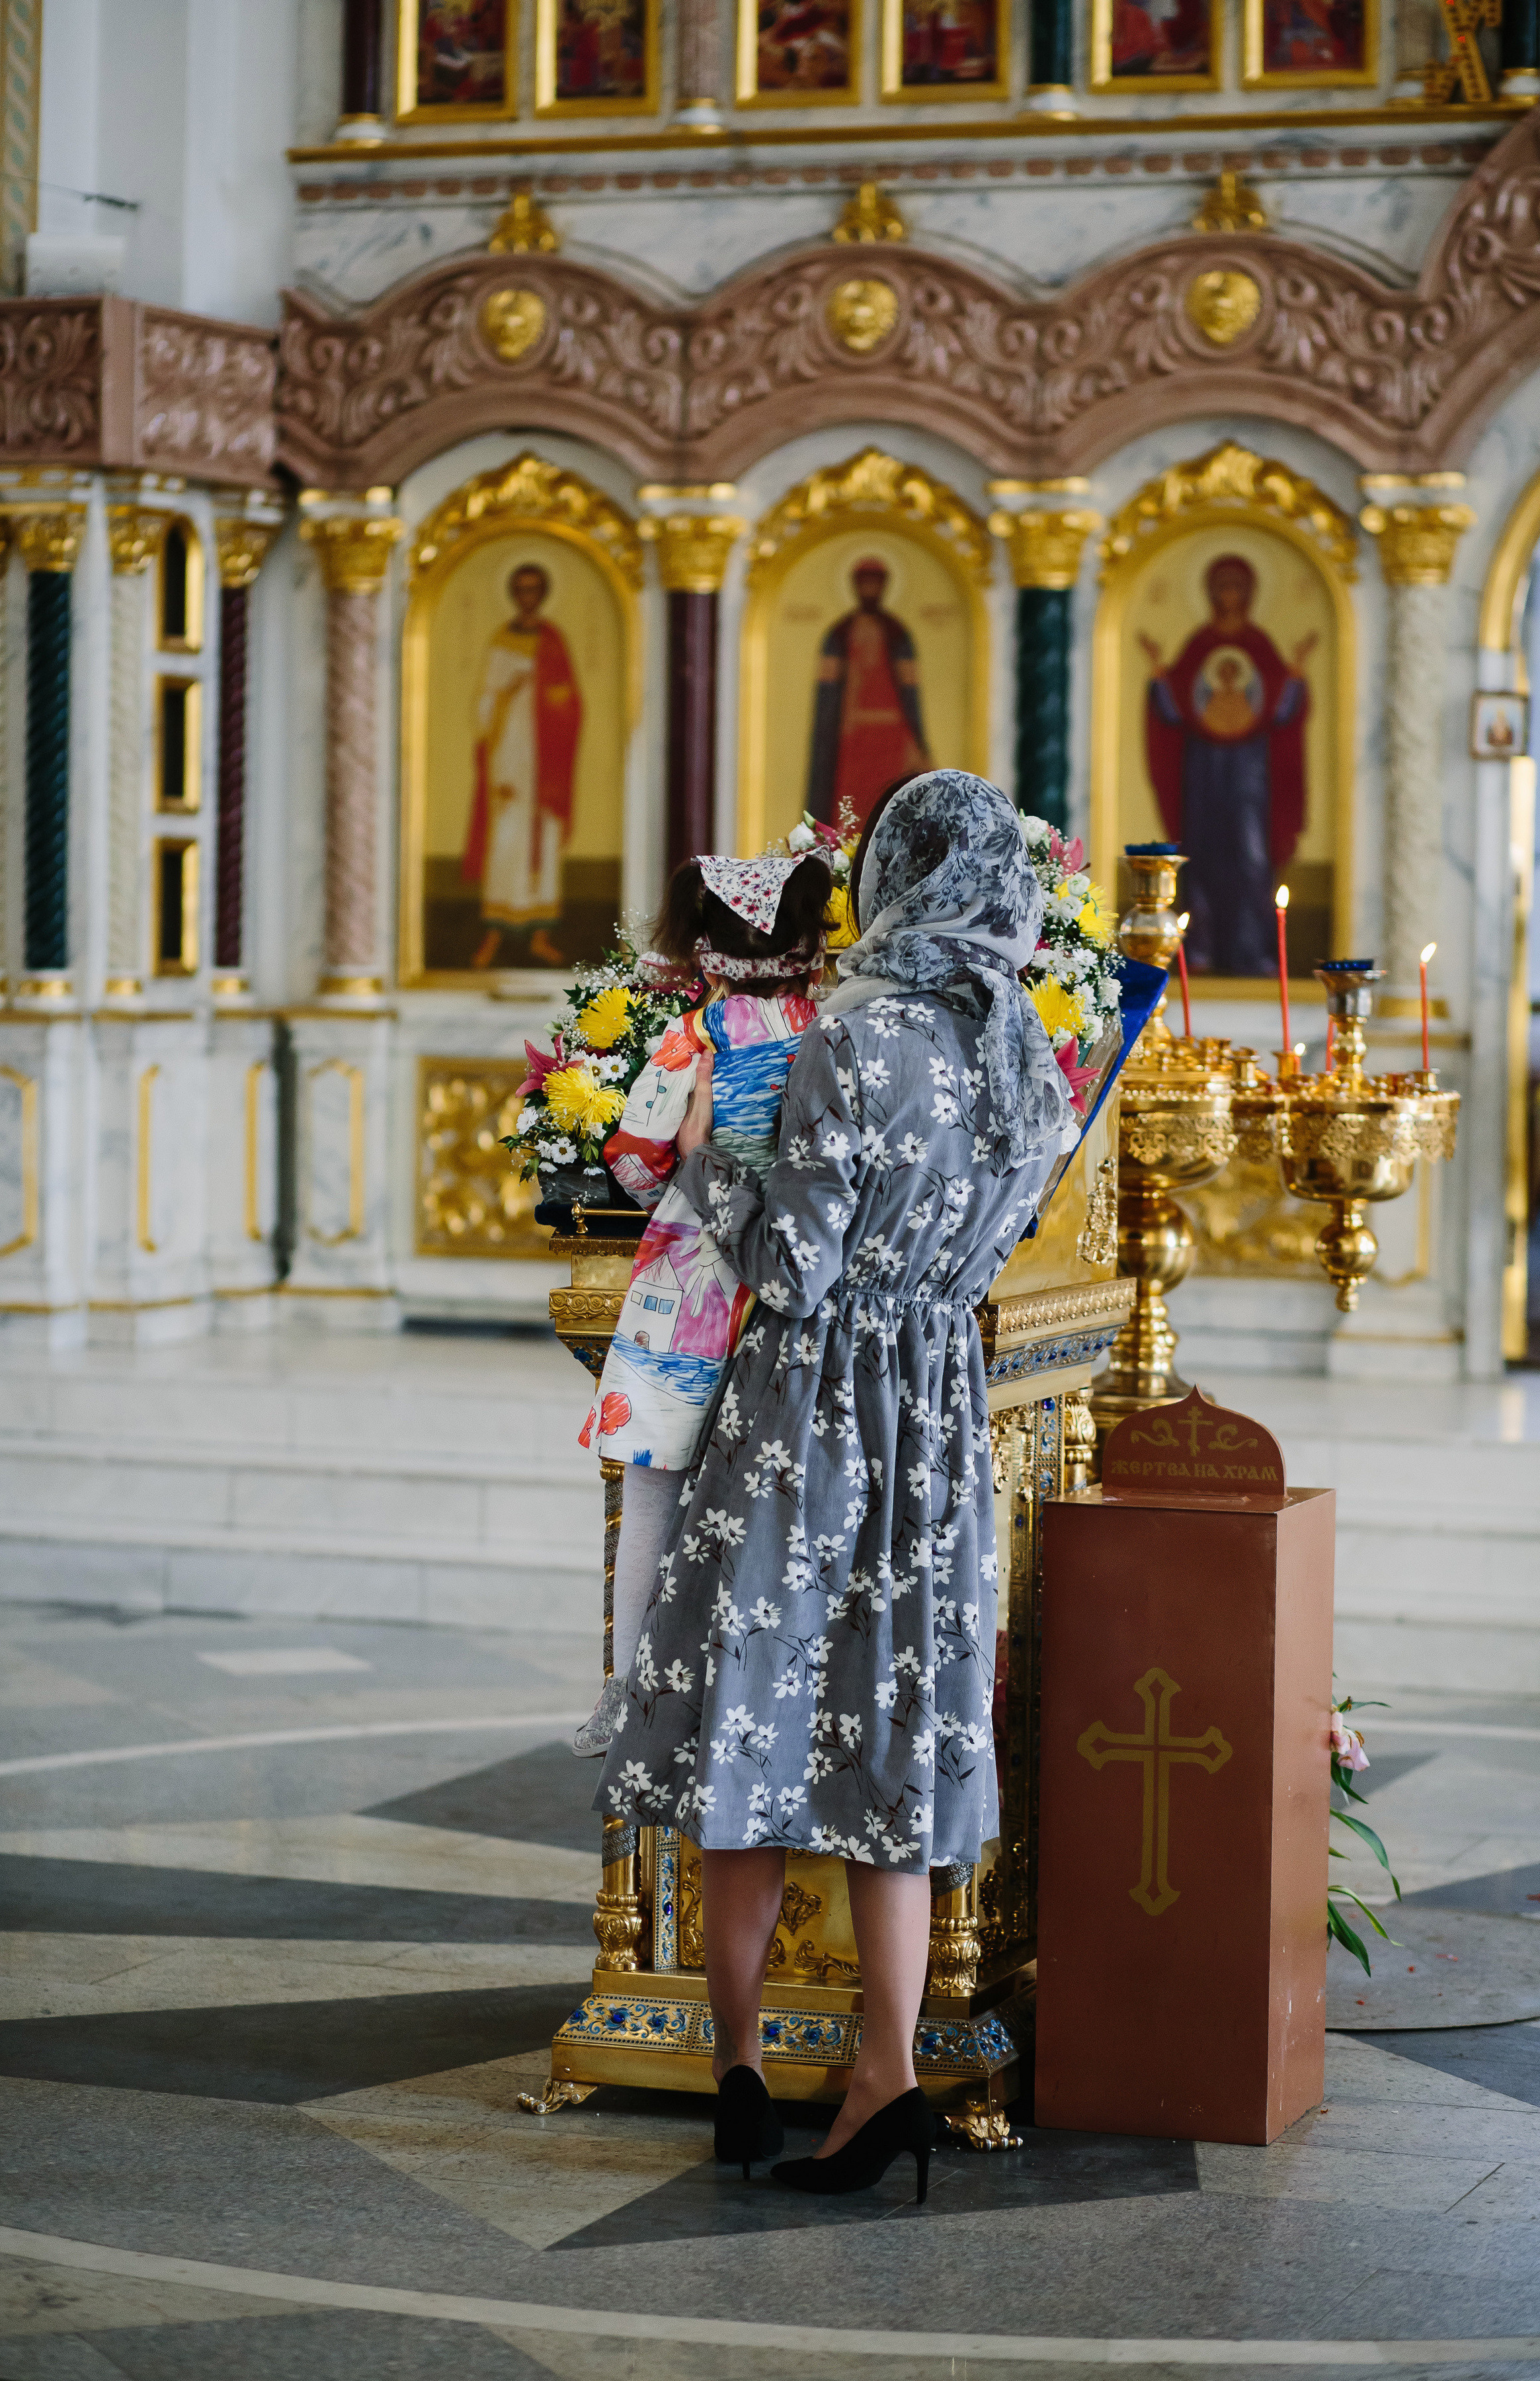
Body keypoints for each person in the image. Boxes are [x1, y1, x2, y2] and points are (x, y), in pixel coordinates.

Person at [594, 769, 1076, 2198]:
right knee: (893, 1739)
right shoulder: (1032, 1067)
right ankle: (887, 2079)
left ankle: (738, 2075)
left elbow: (792, 1268)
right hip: (930, 1416)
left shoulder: (852, 1048)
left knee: (753, 1713)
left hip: (806, 1414)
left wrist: (712, 1174)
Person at [571, 851, 833, 1759]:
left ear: (708, 943)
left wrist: (676, 1170)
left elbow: (640, 1158)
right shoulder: (833, 1030)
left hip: (694, 1287)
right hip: (801, 1279)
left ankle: (629, 1689)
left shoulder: (696, 1039)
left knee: (651, 1490)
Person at [1141, 552, 1315, 978]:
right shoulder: (1199, 645)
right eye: (1222, 586)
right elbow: (1178, 708)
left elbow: (1278, 710)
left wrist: (1293, 679)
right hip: (1203, 772)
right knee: (1200, 856)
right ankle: (1198, 947)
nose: (1230, 595)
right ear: (1210, 593)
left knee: (1251, 861)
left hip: (1251, 774)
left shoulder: (1260, 645)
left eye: (1238, 586)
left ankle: (1252, 951)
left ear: (1251, 593)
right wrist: (1161, 678)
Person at [463, 562, 582, 972]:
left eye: (534, 589)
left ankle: (540, 934)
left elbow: (571, 702)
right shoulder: (502, 640)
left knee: (543, 838)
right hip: (509, 752)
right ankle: (495, 930)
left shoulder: (552, 641)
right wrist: (507, 694)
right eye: (521, 589)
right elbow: (485, 702)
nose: (527, 597)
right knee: (507, 836)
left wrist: (552, 697)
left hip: (547, 758)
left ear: (542, 594)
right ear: (514, 594)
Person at [806, 560, 928, 831]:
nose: (870, 589)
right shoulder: (840, 634)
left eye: (876, 583)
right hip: (852, 741)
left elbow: (909, 695)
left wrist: (917, 740)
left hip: (891, 737)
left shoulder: (897, 633)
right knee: (851, 810)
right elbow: (828, 699)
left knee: (891, 807)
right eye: (865, 584)